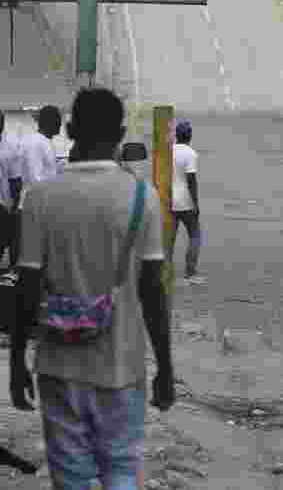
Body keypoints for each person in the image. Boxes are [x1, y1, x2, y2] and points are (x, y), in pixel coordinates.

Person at [9, 88, 175, 490]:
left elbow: (26, 288)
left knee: (70, 479)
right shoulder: (142, 198)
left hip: (58, 367)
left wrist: (16, 360)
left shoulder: (40, 199)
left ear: (69, 129)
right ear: (120, 134)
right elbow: (152, 290)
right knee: (121, 471)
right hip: (122, 366)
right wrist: (165, 366)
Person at [171, 120, 201, 279]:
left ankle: (164, 271)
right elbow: (191, 180)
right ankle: (190, 272)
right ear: (189, 135)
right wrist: (196, 204)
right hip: (186, 203)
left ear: (176, 135)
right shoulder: (190, 154)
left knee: (169, 239)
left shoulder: (168, 152)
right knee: (195, 236)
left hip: (169, 201)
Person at [0, 112, 22, 269]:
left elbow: (15, 182)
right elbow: (15, 182)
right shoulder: (10, 148)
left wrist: (13, 208)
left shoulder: (10, 148)